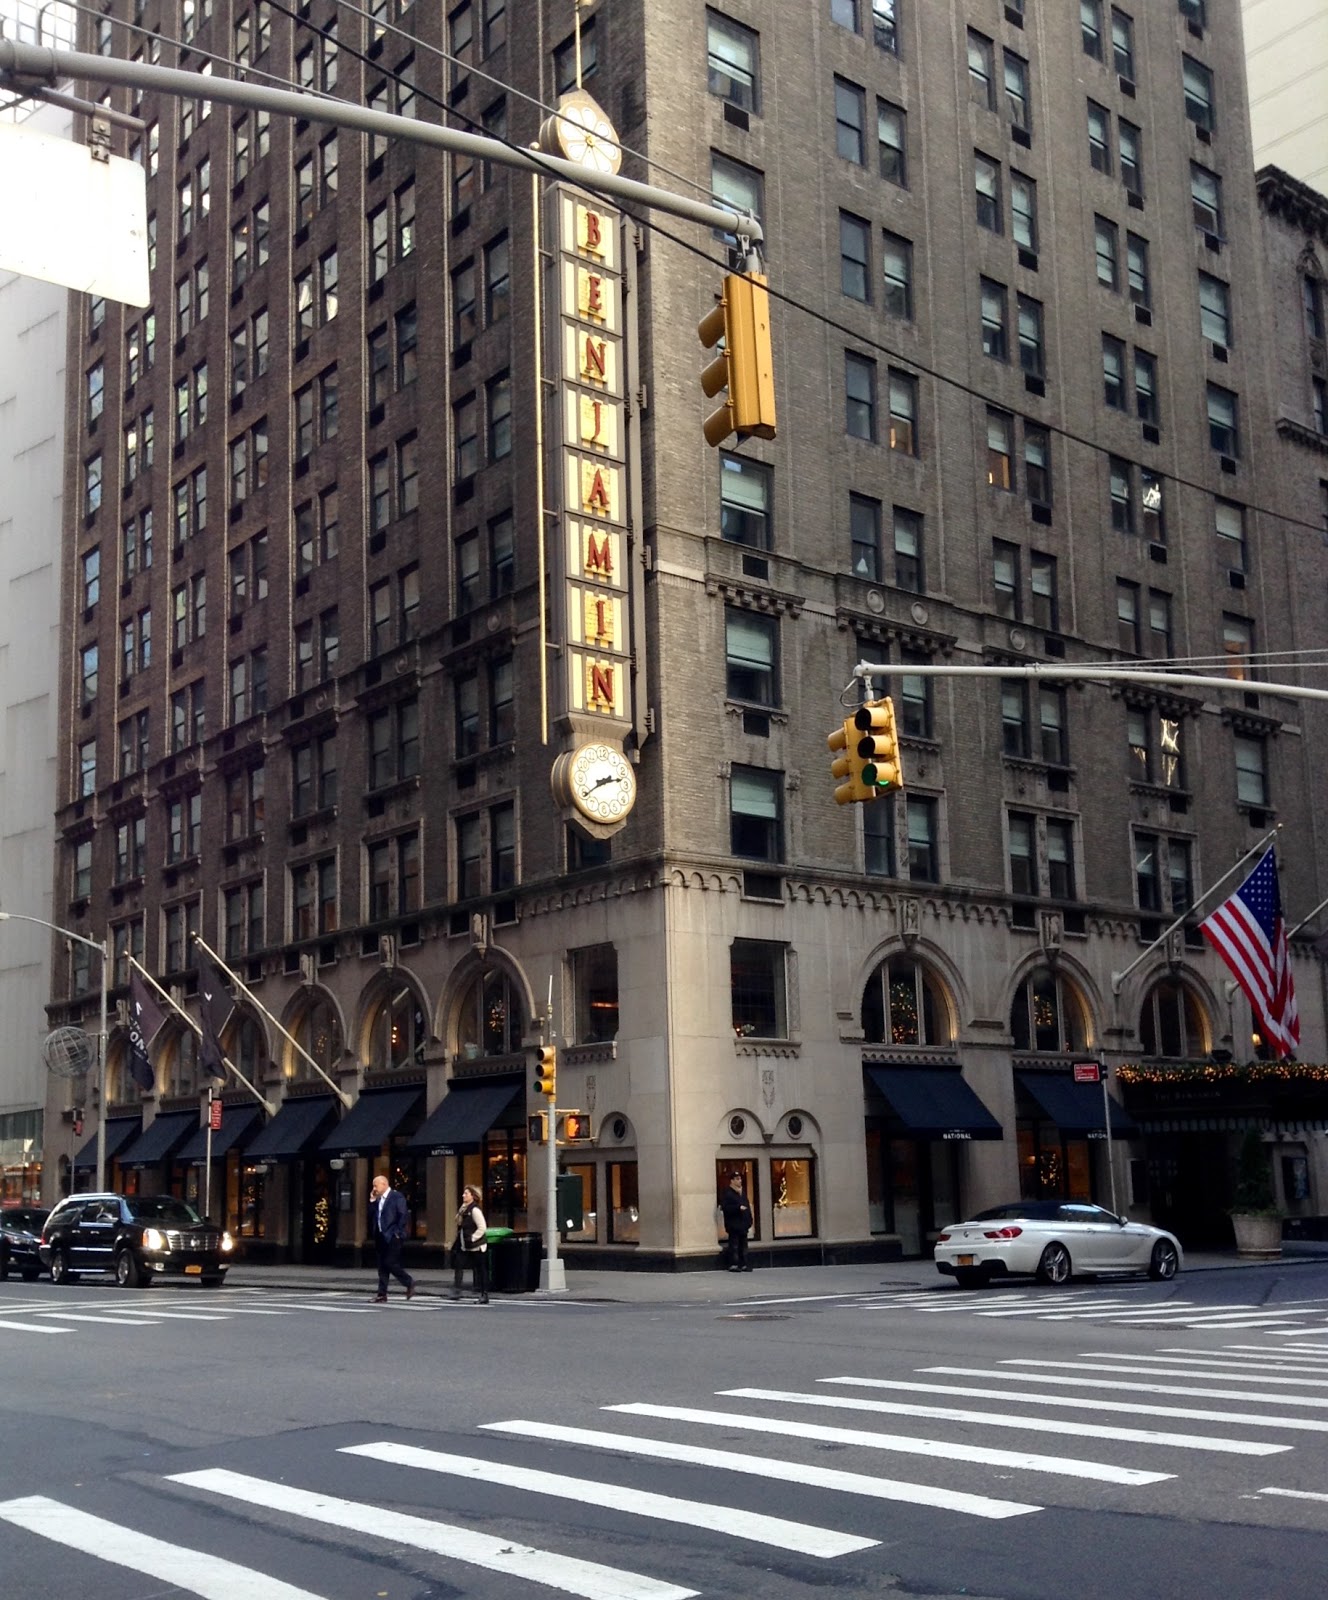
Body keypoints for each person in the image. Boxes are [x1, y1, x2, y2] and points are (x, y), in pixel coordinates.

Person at [369, 1173, 415, 1302]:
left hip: (393, 1236)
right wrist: (372, 1201)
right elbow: (371, 1215)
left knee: (390, 1262)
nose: (374, 1188)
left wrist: (398, 1232)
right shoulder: (377, 1199)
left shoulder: (396, 1197)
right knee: (382, 1266)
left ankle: (409, 1282)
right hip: (380, 1236)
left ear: (384, 1184)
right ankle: (381, 1294)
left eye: (375, 1185)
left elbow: (403, 1215)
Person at [452, 1184, 489, 1302]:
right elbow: (457, 1222)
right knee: (458, 1265)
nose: (463, 1195)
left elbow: (482, 1227)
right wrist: (460, 1210)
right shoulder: (465, 1209)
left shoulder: (475, 1210)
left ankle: (484, 1294)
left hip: (477, 1246)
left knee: (480, 1269)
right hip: (465, 1245)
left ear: (472, 1196)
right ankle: (457, 1290)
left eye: (466, 1193)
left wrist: (473, 1238)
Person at [719, 1172, 753, 1272]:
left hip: (743, 1224)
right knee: (734, 1245)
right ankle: (734, 1264)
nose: (739, 1181)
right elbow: (724, 1207)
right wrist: (737, 1208)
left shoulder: (742, 1192)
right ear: (732, 1181)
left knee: (743, 1245)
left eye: (740, 1179)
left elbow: (747, 1206)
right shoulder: (728, 1193)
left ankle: (744, 1264)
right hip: (733, 1224)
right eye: (737, 1179)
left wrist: (749, 1220)